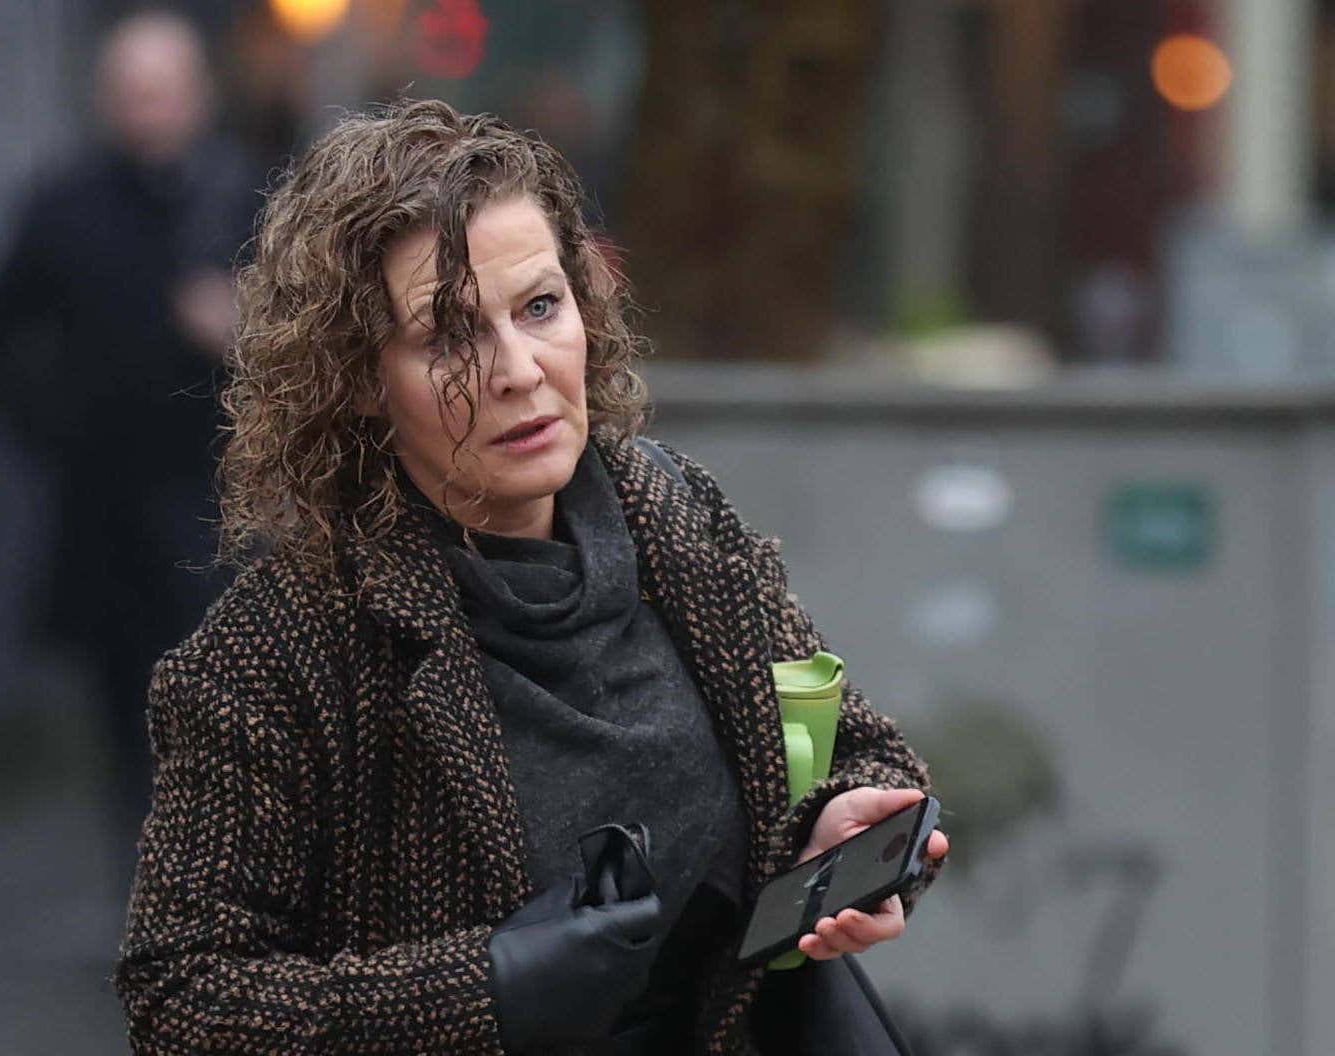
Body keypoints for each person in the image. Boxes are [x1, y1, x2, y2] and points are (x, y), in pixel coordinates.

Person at [113, 99, 948, 1054]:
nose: (518, 369)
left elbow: (858, 749)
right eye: (451, 336)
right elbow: (182, 1000)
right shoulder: (271, 660)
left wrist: (850, 827)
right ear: (357, 380)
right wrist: (486, 988)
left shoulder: (678, 519)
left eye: (541, 307)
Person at [0, 10, 259, 836]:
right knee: (129, 735)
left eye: (163, 93)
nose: (149, 113)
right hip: (107, 517)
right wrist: (58, 430)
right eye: (133, 95)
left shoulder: (252, 199)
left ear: (199, 95)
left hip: (228, 519)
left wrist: (245, 335)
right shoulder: (64, 208)